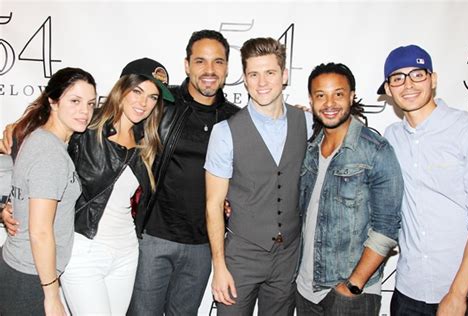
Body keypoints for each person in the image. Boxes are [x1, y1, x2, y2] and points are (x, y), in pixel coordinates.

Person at [1, 58, 174, 314]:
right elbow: (25, 164)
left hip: (126, 251)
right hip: (85, 248)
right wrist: (5, 202)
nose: (143, 103)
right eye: (137, 91)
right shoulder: (85, 128)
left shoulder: (147, 143)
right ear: (121, 88)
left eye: (152, 97)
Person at [127, 30, 240, 315]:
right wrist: (29, 126)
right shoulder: (161, 104)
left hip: (203, 245)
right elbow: (110, 120)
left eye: (218, 62)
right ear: (187, 65)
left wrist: (298, 117)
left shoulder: (236, 119)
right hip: (154, 237)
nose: (209, 70)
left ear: (227, 67)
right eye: (200, 61)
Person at [205, 37, 313, 315]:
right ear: (244, 78)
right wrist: (219, 267)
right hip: (241, 256)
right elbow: (213, 205)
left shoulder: (308, 122)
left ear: (284, 75)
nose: (262, 82)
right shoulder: (224, 132)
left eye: (270, 72)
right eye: (254, 74)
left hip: (289, 256)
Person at [295, 62, 403, 315]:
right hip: (304, 289)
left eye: (338, 94)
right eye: (321, 95)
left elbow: (387, 227)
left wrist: (353, 285)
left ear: (352, 96)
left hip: (350, 295)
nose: (329, 103)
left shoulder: (375, 149)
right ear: (311, 100)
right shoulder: (309, 149)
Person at [379, 45, 468, 316]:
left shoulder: (467, 129)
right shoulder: (391, 137)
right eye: (398, 78)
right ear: (388, 89)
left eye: (417, 74)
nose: (408, 84)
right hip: (408, 291)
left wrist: (457, 293)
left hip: (460, 294)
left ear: (433, 79)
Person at [0, 67, 96, 316]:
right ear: (53, 102)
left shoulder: (40, 138)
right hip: (30, 277)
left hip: (23, 270)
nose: (84, 111)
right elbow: (40, 231)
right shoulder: (50, 154)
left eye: (90, 103)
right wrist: (52, 296)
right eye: (75, 101)